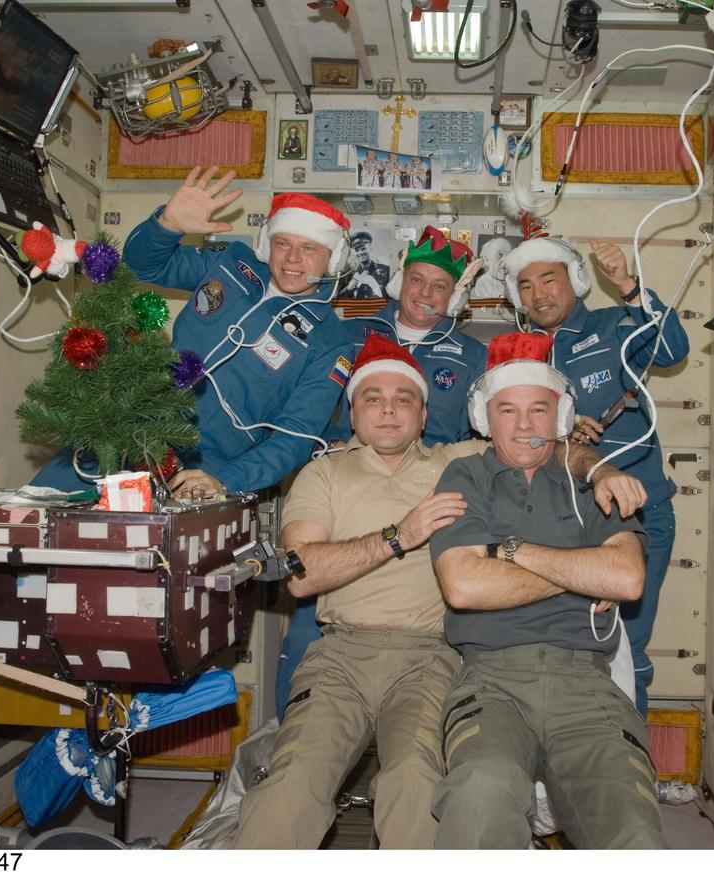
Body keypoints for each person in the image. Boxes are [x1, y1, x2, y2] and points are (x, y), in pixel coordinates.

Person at [233, 334, 644, 849]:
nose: (388, 410)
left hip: (430, 657)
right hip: (339, 654)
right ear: (352, 413)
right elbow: (300, 574)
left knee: (416, 782)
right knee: (291, 784)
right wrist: (398, 536)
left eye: (404, 399)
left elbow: (538, 440)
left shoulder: (458, 463)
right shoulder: (322, 474)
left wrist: (599, 468)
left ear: (424, 415)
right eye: (373, 398)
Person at [428, 332, 665, 849]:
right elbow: (464, 585)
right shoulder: (465, 476)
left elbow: (625, 578)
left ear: (560, 418)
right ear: (485, 419)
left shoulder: (596, 485)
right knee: (480, 795)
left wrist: (508, 550)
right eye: (507, 410)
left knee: (632, 824)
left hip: (586, 684)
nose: (524, 425)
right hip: (490, 681)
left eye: (539, 410)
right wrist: (583, 571)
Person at [29, 167, 355, 498]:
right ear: (266, 243)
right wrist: (166, 227)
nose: (292, 258)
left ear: (334, 259)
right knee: (35, 509)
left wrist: (226, 481)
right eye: (282, 243)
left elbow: (296, 435)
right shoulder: (231, 263)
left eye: (309, 248)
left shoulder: (330, 342)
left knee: (146, 531)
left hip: (205, 466)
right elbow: (144, 266)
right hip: (130, 421)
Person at [275, 226, 488, 718]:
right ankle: (291, 734)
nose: (426, 294)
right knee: (308, 627)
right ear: (400, 282)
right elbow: (310, 403)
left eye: (440, 286)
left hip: (428, 493)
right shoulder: (350, 332)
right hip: (350, 488)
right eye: (417, 280)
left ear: (455, 296)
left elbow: (482, 434)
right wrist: (328, 449)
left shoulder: (471, 354)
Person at [503, 236, 689, 716]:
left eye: (549, 279)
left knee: (628, 647)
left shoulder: (612, 325)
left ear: (576, 281)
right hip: (558, 521)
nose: (539, 294)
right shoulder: (519, 355)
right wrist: (559, 433)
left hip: (637, 513)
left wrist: (628, 285)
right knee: (556, 646)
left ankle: (628, 756)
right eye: (526, 285)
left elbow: (673, 350)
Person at [338, 231, 391, 300]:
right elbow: (337, 298)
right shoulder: (348, 274)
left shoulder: (386, 270)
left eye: (363, 249)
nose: (360, 253)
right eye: (357, 250)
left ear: (370, 248)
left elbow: (389, 297)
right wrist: (347, 289)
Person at [471, 235, 512, 300]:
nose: (505, 260)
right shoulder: (483, 283)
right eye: (499, 255)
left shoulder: (513, 281)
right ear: (487, 260)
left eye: (508, 255)